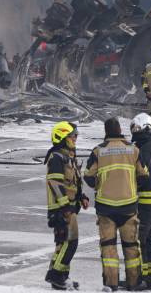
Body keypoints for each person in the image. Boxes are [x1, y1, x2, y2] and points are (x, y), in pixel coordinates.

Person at [84, 118, 149, 291]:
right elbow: (144, 176)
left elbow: (88, 177)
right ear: (120, 130)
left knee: (108, 247)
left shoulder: (98, 151)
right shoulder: (133, 149)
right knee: (131, 246)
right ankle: (134, 283)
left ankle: (111, 284)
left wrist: (101, 185)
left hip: (105, 208)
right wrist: (131, 186)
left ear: (106, 131)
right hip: (128, 207)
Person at [44, 122, 89, 290]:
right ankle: (56, 275)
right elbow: (55, 184)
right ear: (62, 137)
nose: (75, 138)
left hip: (69, 207)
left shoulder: (68, 156)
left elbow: (73, 182)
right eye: (72, 136)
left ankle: (61, 277)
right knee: (70, 242)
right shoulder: (57, 157)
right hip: (62, 209)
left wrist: (81, 196)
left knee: (63, 243)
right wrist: (64, 207)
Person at [130, 114, 151, 290]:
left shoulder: (149, 147)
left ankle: (141, 278)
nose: (134, 133)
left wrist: (129, 185)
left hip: (146, 200)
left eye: (136, 129)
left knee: (140, 240)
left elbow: (144, 175)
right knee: (149, 239)